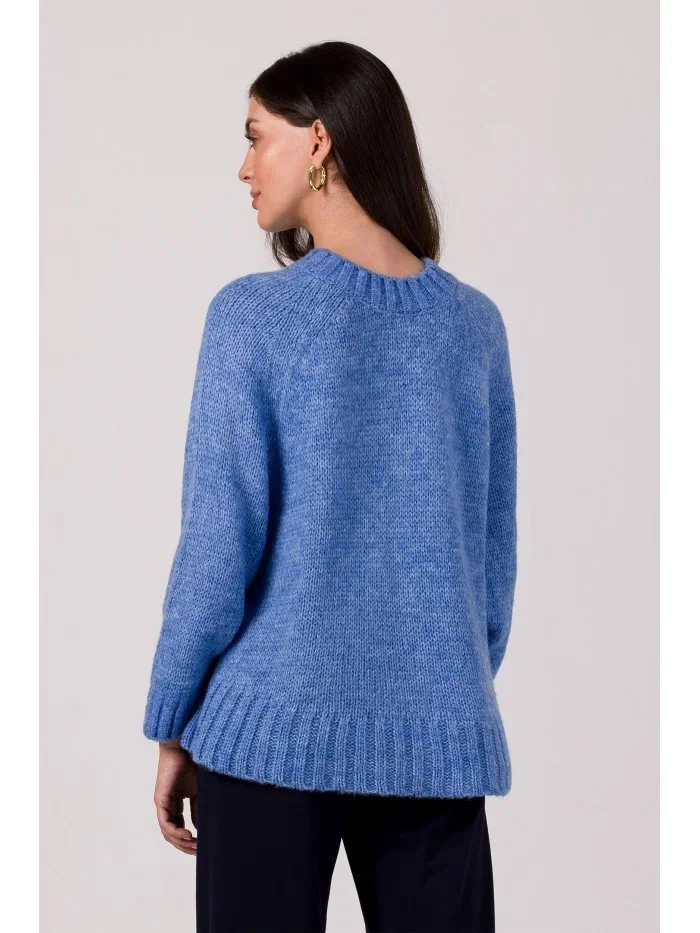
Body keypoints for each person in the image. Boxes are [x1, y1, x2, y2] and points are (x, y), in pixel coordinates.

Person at [143, 40, 518, 933]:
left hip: (264, 734)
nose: (243, 167)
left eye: (255, 137)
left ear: (318, 141)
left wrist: (174, 719)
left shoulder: (252, 318)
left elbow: (216, 549)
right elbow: (489, 571)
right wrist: (431, 685)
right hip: (436, 738)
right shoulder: (474, 329)